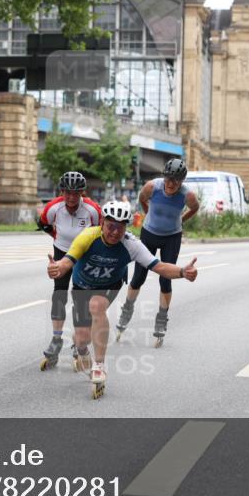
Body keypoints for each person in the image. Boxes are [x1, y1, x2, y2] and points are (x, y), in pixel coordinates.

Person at [46, 200, 198, 398]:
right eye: (111, 226)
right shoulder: (87, 236)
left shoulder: (132, 245)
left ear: (126, 227)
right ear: (102, 223)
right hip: (82, 285)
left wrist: (182, 272)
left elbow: (159, 267)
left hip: (109, 285)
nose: (115, 232)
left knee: (97, 305)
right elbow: (68, 261)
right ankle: (81, 350)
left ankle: (99, 365)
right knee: (82, 337)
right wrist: (57, 268)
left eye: (120, 227)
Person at [116, 158, 200, 346]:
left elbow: (195, 208)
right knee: (139, 277)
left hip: (172, 237)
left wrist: (181, 220)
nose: (171, 184)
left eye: (176, 181)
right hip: (149, 233)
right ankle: (127, 310)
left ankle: (161, 320)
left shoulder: (187, 195)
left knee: (165, 279)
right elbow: (142, 199)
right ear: (164, 177)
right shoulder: (152, 187)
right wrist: (149, 213)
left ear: (182, 182)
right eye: (168, 179)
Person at [37, 172, 102, 369]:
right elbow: (43, 224)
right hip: (62, 251)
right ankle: (56, 339)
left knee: (81, 298)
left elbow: (101, 232)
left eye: (76, 193)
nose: (72, 197)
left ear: (82, 192)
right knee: (59, 294)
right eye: (68, 193)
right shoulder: (53, 207)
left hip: (84, 255)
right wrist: (57, 236)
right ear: (62, 192)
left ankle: (79, 341)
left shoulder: (92, 210)